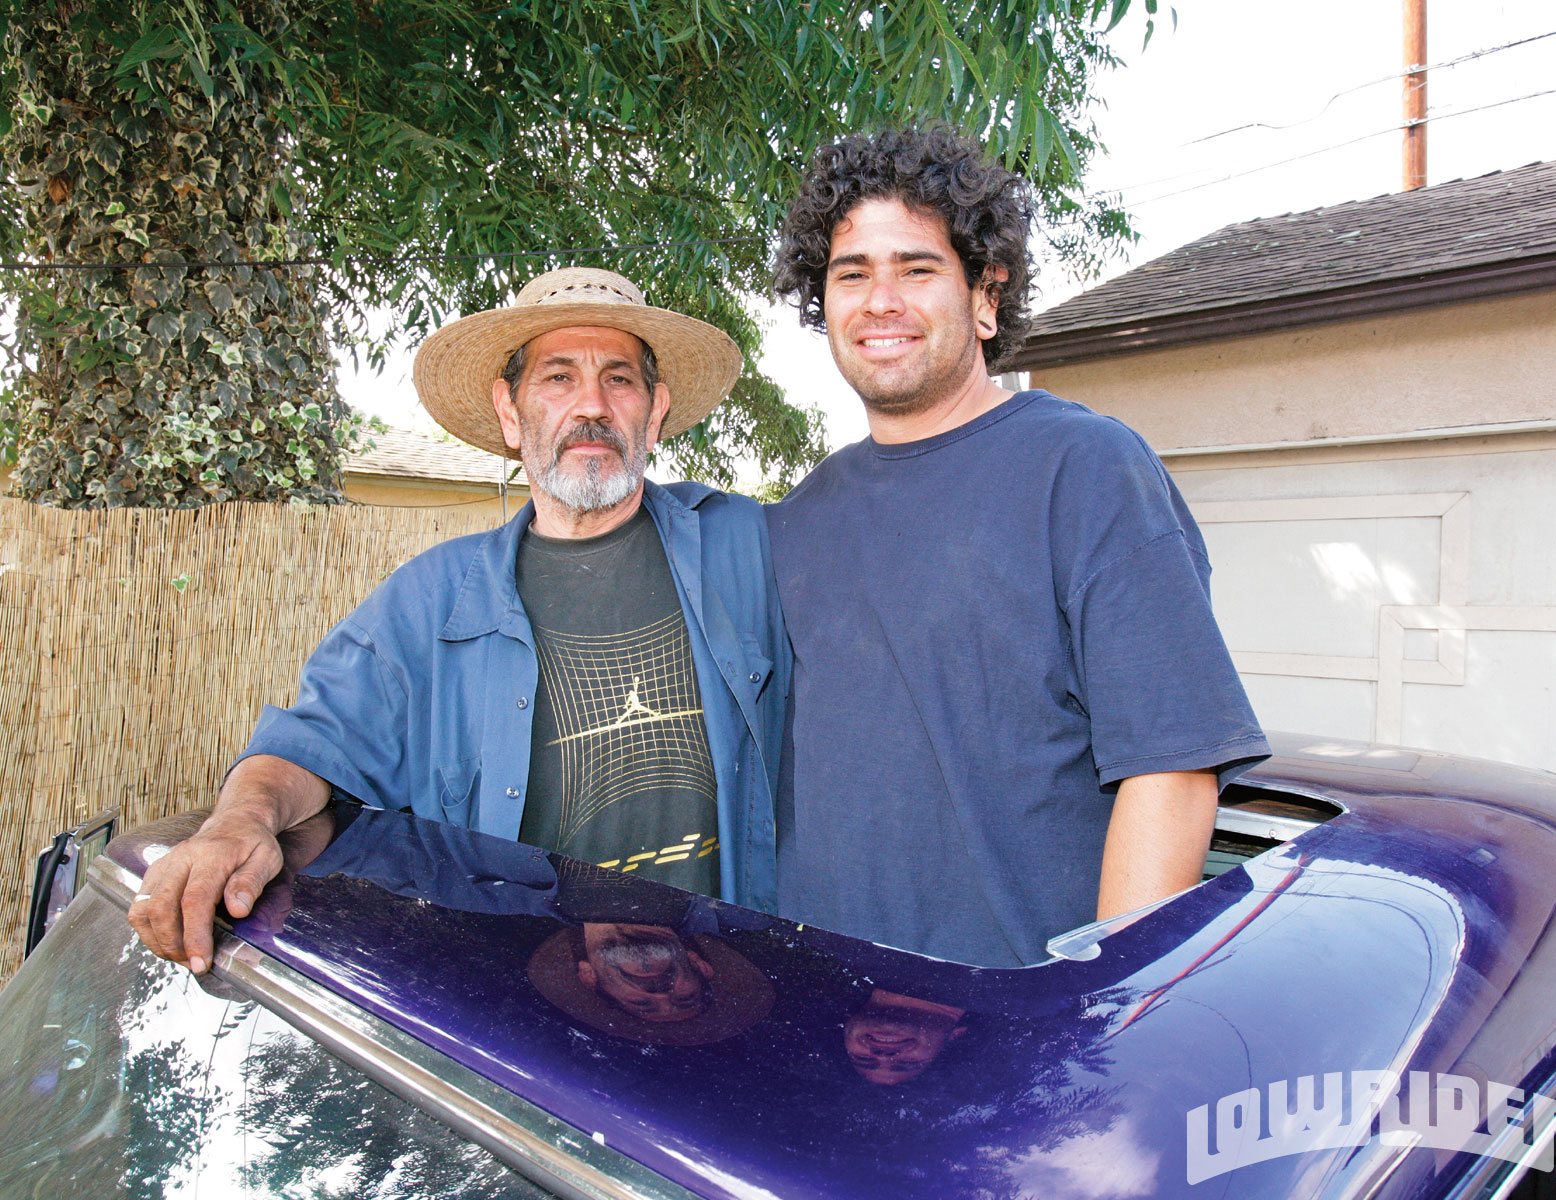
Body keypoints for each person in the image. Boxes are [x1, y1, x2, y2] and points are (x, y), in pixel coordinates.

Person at [129, 267, 787, 973]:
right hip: (516, 1005)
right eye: (558, 378)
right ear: (511, 412)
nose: (592, 404)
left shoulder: (743, 546)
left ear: (653, 411)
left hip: (724, 974)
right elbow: (313, 741)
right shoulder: (431, 601)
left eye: (619, 379)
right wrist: (241, 821)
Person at [768, 127, 1270, 968]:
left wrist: (1102, 1013)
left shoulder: (1085, 469)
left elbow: (1172, 774)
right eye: (852, 273)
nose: (880, 300)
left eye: (917, 268)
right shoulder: (798, 517)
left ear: (986, 293)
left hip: (1015, 1039)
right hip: (827, 1023)